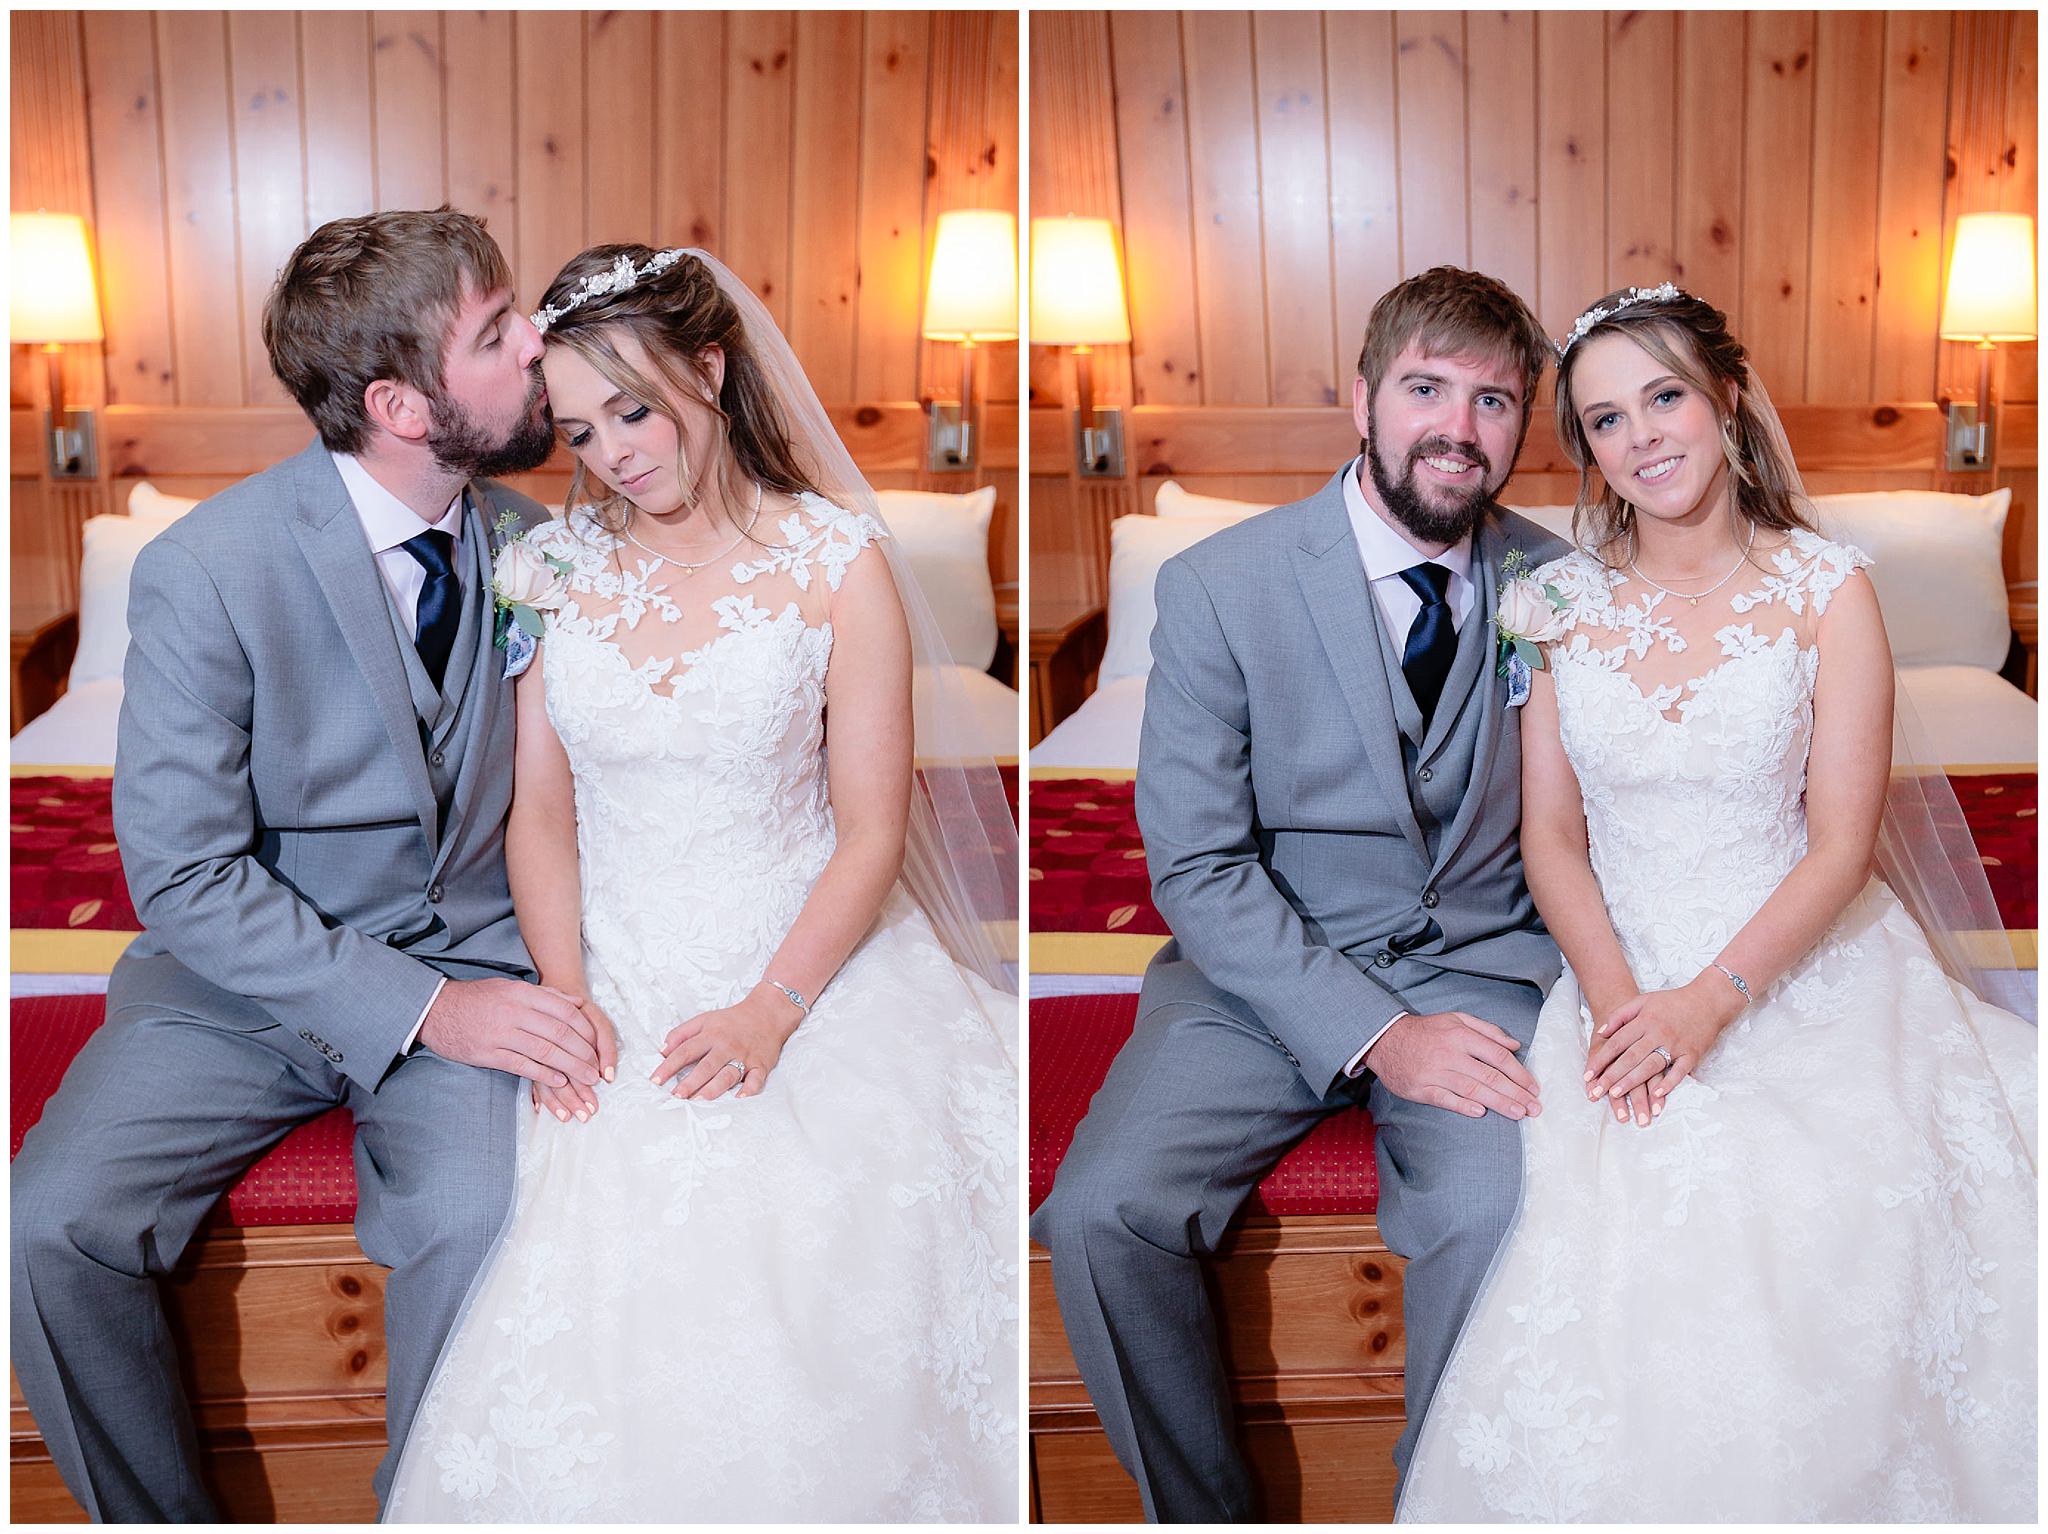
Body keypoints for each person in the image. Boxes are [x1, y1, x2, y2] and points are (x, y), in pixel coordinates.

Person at [381, 244, 1020, 1522]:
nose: (612, 451)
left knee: (831, 1224)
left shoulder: (838, 564)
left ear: (711, 371)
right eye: (577, 428)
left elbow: (869, 832)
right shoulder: (552, 572)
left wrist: (768, 1010)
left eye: (632, 409)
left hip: (804, 957)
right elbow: (543, 814)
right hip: (611, 952)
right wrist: (566, 996)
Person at [1397, 284, 2037, 1521]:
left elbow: (1842, 843)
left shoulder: (1825, 590)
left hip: (1796, 961)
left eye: (1663, 396)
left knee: (1835, 1209)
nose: (1640, 436)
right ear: (1582, 448)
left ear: (1723, 400)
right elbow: (1552, 838)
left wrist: (1709, 1002)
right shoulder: (1555, 606)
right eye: (1601, 419)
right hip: (1615, 968)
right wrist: (1619, 999)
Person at [10, 207, 599, 1519]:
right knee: (42, 1227)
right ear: (400, 403)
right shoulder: (205, 571)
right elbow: (184, 876)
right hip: (239, 988)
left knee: (487, 1224)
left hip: (475, 962)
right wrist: (429, 1006)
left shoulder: (537, 546)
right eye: (498, 333)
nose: (539, 343)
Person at [1033, 266, 1571, 1520]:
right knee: (1104, 1210)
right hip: (1255, 976)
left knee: (1498, 1209)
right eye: (1426, 388)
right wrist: (1381, 1034)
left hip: (1484, 969)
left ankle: (1432, 1500)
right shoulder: (1223, 584)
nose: (1458, 426)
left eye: (1493, 401)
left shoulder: (1558, 587)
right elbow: (1197, 865)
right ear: (1362, 400)